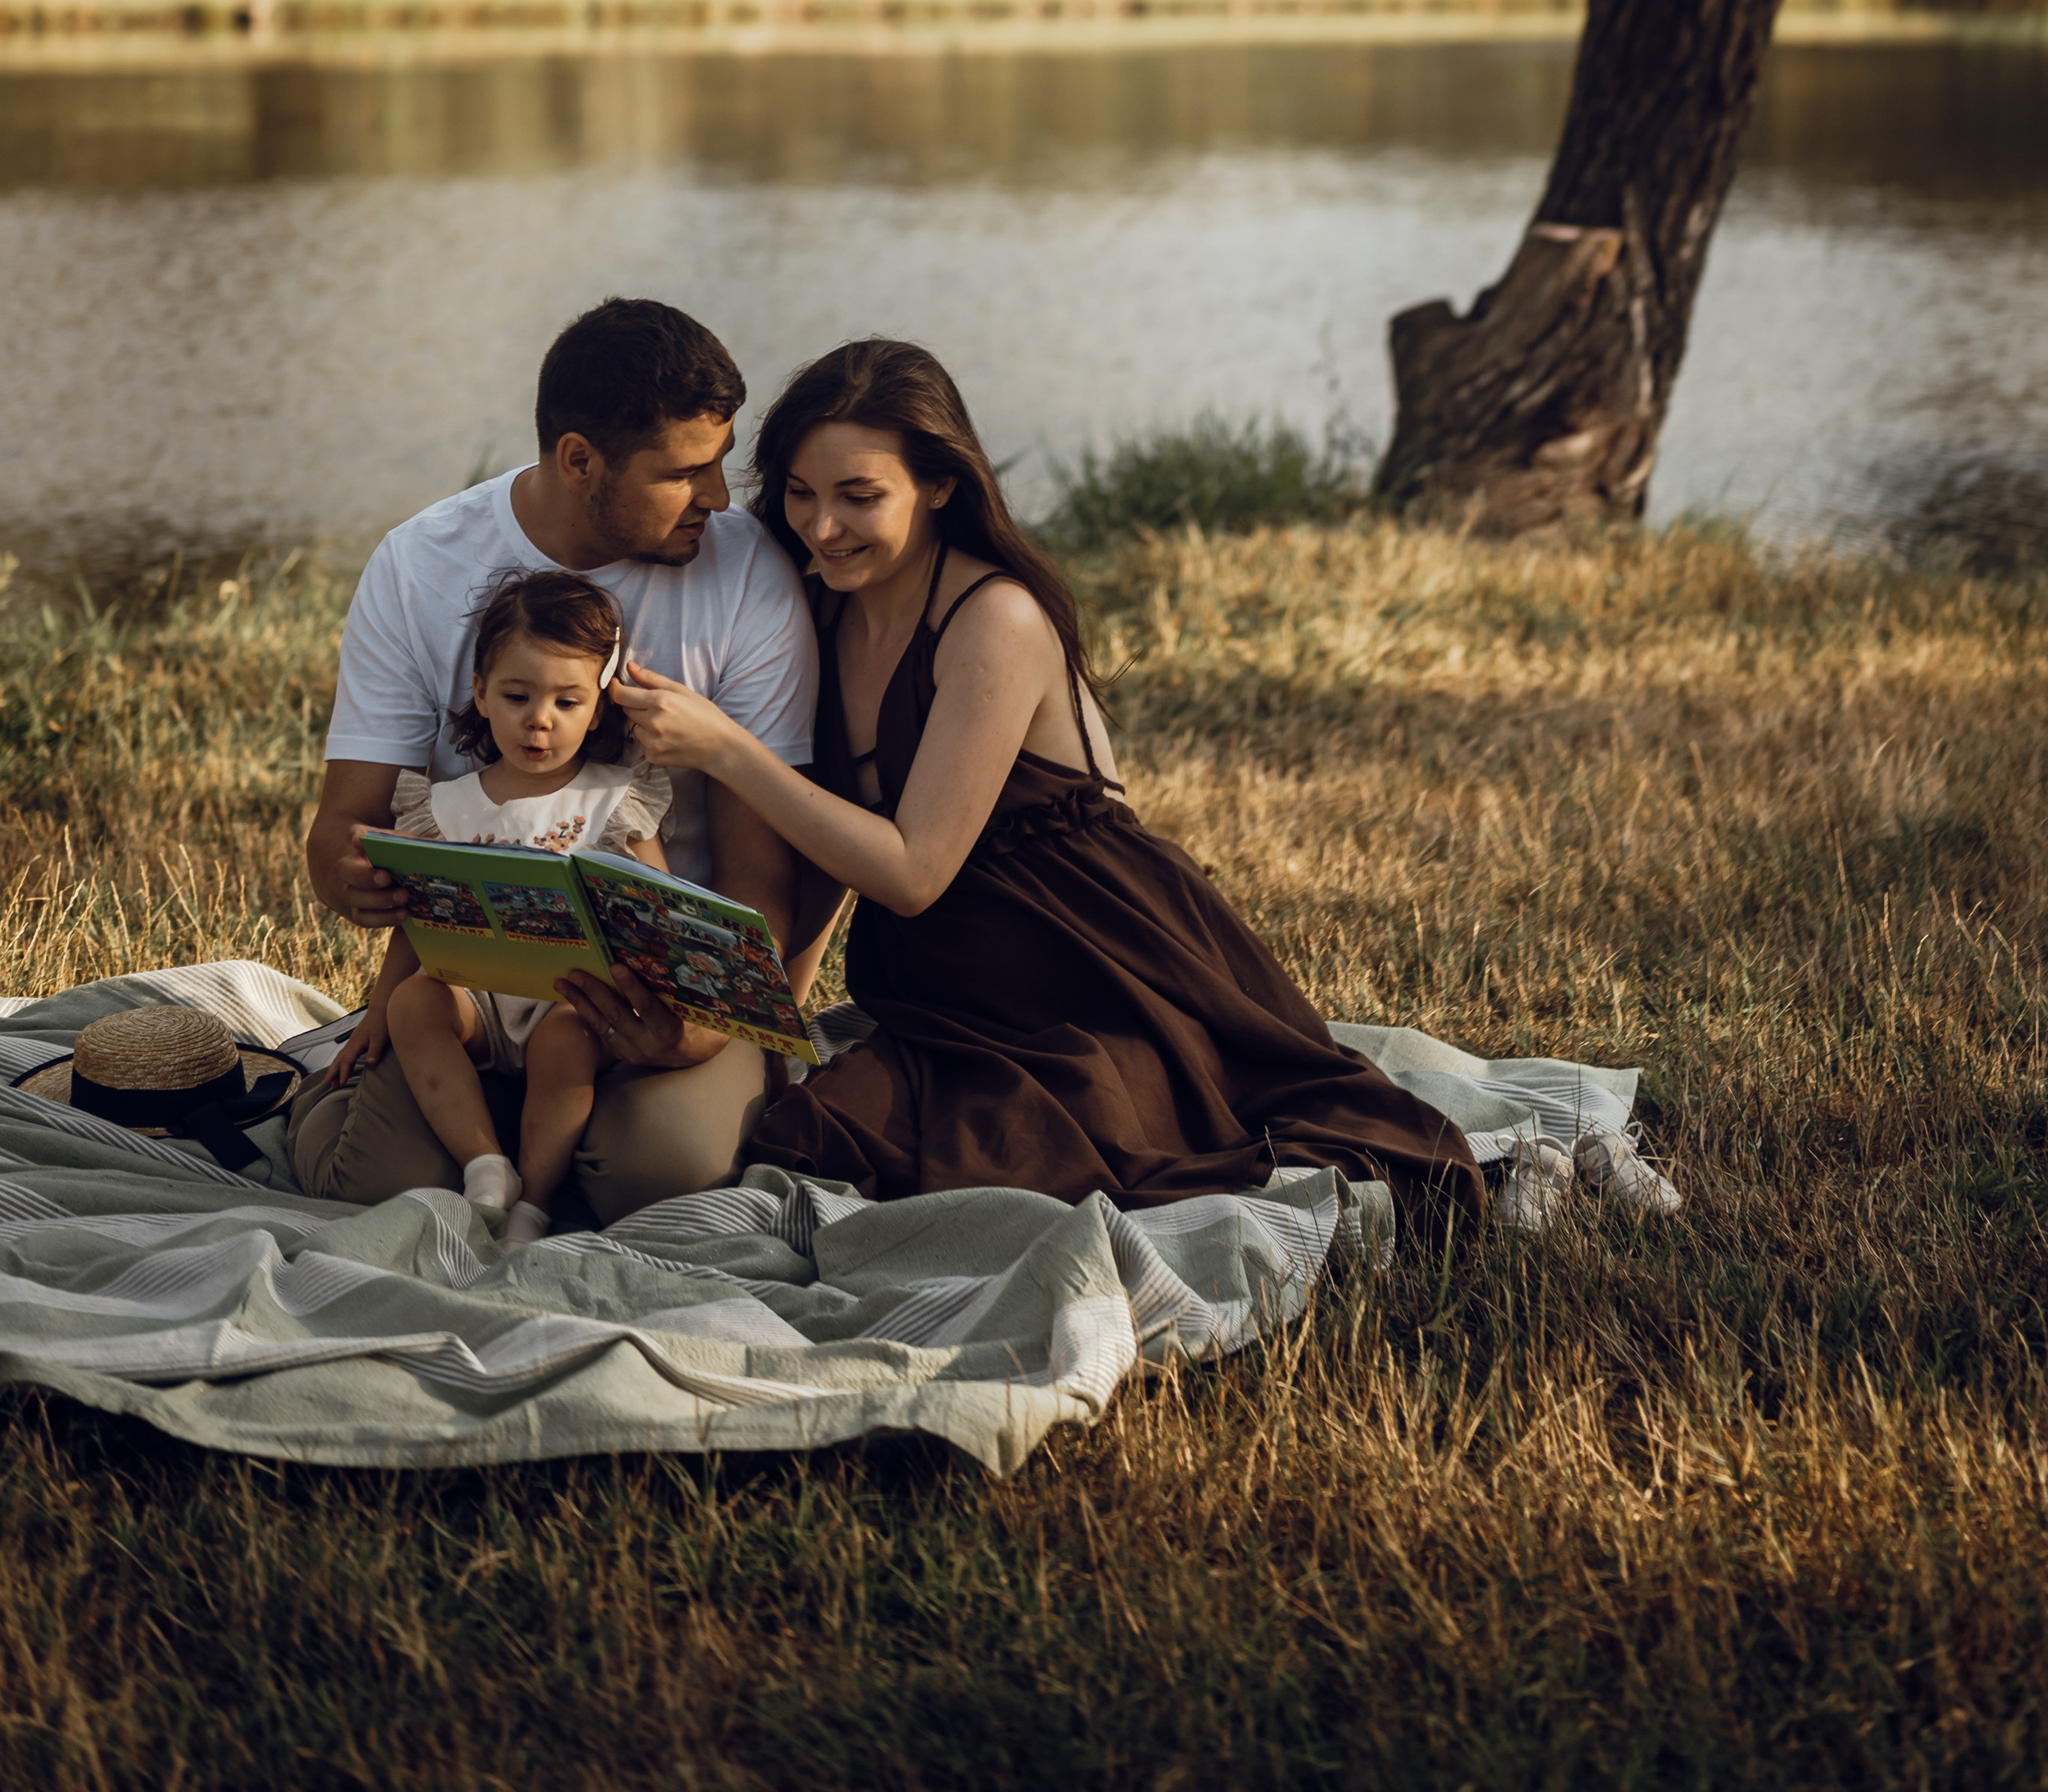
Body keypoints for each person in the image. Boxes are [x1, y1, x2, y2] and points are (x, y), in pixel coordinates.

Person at [606, 338, 1486, 1223]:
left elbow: (909, 873)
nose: (820, 526)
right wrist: (774, 1027)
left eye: (859, 497)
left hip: (1092, 967)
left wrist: (726, 749)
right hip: (941, 988)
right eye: (800, 492)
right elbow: (833, 840)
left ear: (941, 485)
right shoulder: (819, 599)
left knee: (1024, 1173)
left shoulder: (995, 618)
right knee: (812, 1141)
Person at [290, 297, 820, 1219]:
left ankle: (559, 1148)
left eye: (721, 464)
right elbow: (341, 828)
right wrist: (354, 879)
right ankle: (454, 1130)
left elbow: (761, 889)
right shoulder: (418, 566)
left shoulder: (748, 577)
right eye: (685, 473)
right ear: (580, 461)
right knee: (382, 1188)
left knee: (661, 1177)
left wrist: (691, 1035)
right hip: (475, 989)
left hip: (656, 995)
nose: (720, 498)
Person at [340, 569, 672, 1250]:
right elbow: (417, 923)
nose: (539, 719)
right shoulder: (448, 808)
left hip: (574, 1006)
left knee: (562, 1038)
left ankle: (536, 1202)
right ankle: (484, 1163)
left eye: (567, 701)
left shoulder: (614, 800)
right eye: (518, 695)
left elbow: (657, 910)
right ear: (480, 693)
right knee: (414, 1003)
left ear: (599, 708)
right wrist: (377, 1011)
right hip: (480, 1006)